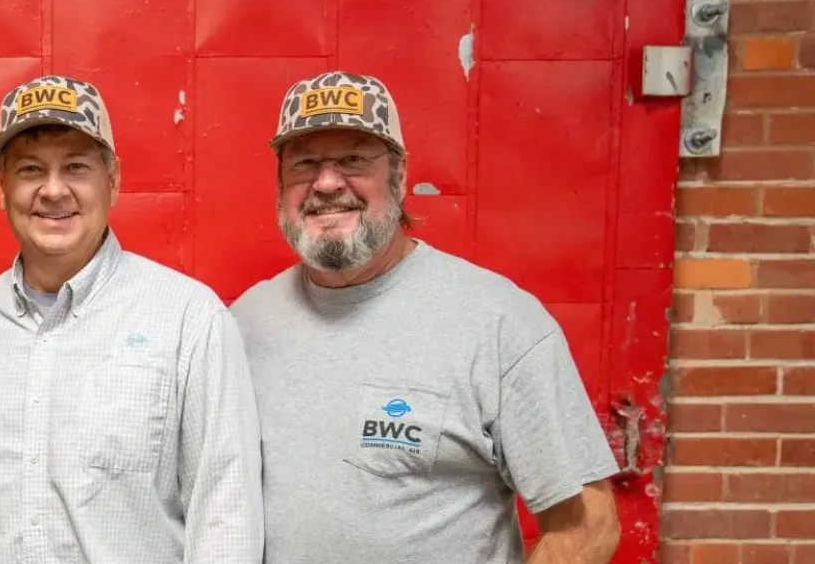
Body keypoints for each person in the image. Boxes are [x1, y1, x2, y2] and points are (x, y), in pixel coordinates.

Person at [229, 70, 622, 563]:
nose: (327, 183)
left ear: (400, 176)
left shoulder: (498, 322)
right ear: (281, 185)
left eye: (353, 159)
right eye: (304, 164)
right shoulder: (241, 324)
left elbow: (588, 526)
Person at [0, 75, 265, 563]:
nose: (53, 191)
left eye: (75, 167)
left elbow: (227, 516)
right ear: (1, 186)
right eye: (31, 169)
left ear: (113, 179)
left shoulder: (189, 320)